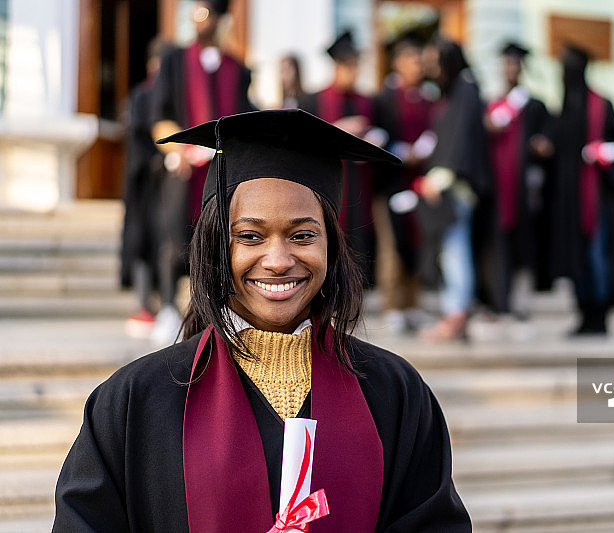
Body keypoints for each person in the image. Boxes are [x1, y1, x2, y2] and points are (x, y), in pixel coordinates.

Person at [53, 109, 471, 532]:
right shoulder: (135, 403)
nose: (278, 261)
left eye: (303, 235)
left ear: (332, 244)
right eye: (250, 236)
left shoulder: (395, 394)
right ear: (217, 244)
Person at [149, 0, 256, 343]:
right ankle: (167, 307)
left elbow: (243, 116)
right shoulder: (175, 61)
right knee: (173, 237)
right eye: (194, 13)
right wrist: (176, 148)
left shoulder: (238, 69)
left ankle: (214, 309)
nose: (199, 20)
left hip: (221, 169)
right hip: (183, 166)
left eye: (205, 13)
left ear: (221, 19)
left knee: (220, 237)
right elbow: (160, 113)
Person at [547, 45, 614, 335]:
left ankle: (599, 315)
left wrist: (600, 152)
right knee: (576, 258)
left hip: (597, 200)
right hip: (570, 201)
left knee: (596, 256)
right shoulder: (565, 107)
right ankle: (583, 313)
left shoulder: (601, 105)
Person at [417, 38, 493, 341]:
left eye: (437, 62)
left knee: (454, 248)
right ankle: (457, 310)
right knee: (451, 248)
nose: (433, 69)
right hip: (451, 181)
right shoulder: (457, 90)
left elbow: (461, 140)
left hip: (455, 183)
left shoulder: (466, 88)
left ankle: (456, 313)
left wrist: (442, 175)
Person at [298, 31, 378, 283]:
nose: (355, 74)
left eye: (357, 67)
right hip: (327, 183)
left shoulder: (367, 102)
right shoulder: (313, 100)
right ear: (338, 66)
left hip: (359, 182)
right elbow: (303, 143)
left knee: (359, 238)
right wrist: (339, 130)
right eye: (351, 67)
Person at [371, 33, 435, 333]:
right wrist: (399, 150)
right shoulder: (383, 99)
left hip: (418, 182)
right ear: (398, 63)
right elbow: (376, 135)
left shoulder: (428, 100)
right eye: (413, 60)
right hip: (390, 181)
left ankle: (413, 303)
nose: (418, 66)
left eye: (420, 61)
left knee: (416, 243)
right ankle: (393, 305)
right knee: (391, 245)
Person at [484, 41, 553, 317]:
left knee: (524, 243)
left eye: (515, 63)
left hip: (525, 189)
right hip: (497, 188)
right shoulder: (493, 105)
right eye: (507, 63)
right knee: (498, 244)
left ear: (522, 68)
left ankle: (522, 301)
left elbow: (548, 144)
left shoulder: (534, 105)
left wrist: (541, 145)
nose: (511, 68)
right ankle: (499, 300)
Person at [120, 37, 170, 338]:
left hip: (163, 186)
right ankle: (144, 304)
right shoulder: (143, 94)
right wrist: (155, 160)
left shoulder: (166, 95)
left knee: (162, 244)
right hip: (143, 185)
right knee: (142, 244)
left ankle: (163, 304)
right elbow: (139, 138)